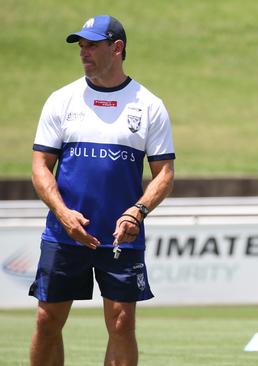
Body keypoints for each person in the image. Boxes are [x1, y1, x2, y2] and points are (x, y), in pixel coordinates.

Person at [29, 15, 175, 365]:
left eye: (92, 45)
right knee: (47, 320)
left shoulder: (149, 105)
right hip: (64, 234)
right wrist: (64, 215)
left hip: (120, 237)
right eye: (81, 46)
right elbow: (39, 166)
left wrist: (136, 212)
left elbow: (164, 173)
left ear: (117, 48)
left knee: (122, 325)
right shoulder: (61, 100)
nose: (84, 52)